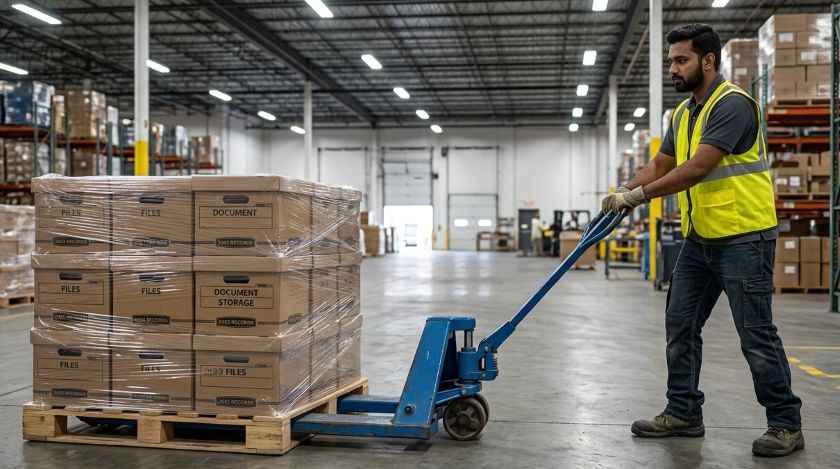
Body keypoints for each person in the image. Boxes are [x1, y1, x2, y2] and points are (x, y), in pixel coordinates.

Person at [601, 24, 803, 458]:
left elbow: (697, 168)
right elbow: (660, 163)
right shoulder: (683, 114)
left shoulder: (733, 106)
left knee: (755, 333)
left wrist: (638, 197)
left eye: (681, 60)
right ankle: (684, 413)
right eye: (671, 60)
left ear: (707, 61)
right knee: (680, 324)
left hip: (744, 237)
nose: (673, 68)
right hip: (702, 238)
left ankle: (785, 424)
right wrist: (623, 191)